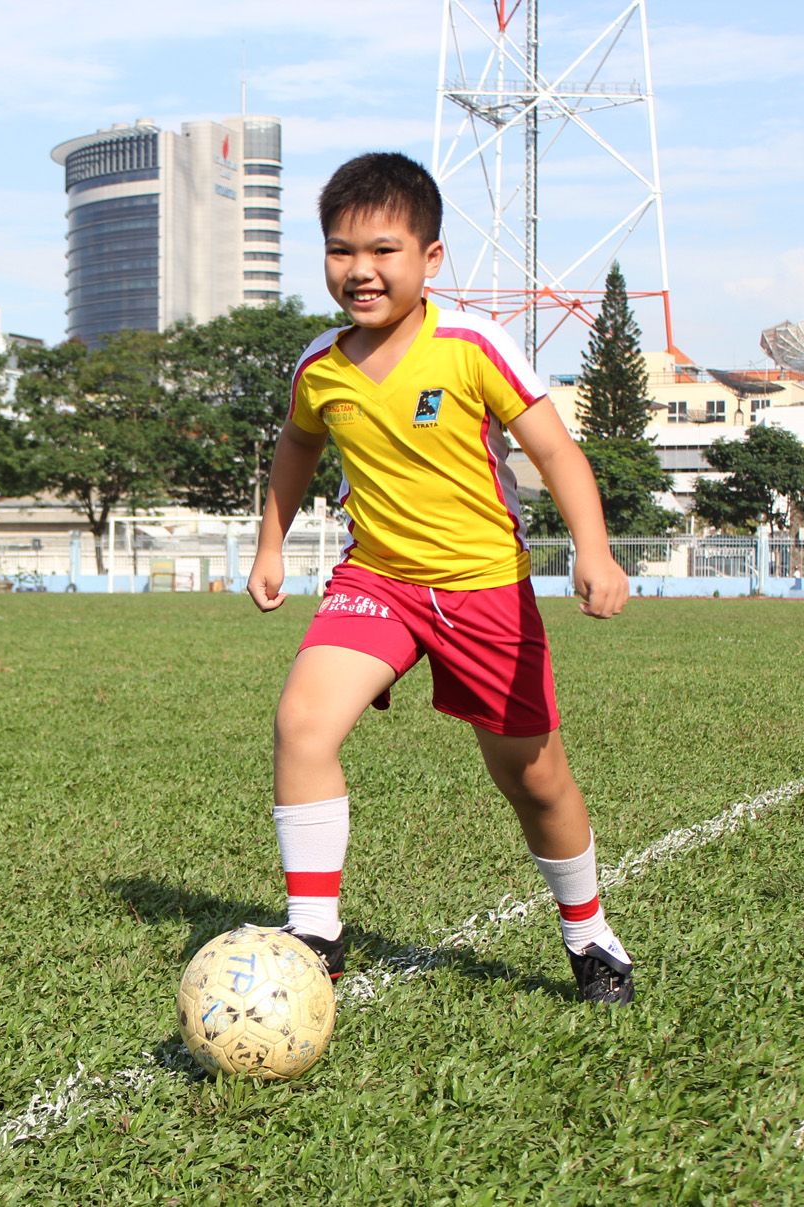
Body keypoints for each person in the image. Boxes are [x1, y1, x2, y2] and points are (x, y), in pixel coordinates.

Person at [248, 152, 636, 1005]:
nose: (361, 271)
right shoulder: (320, 365)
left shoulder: (469, 346)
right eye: (341, 251)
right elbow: (297, 446)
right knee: (302, 722)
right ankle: (315, 931)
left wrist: (595, 549)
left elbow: (555, 450)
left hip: (484, 589)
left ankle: (588, 932)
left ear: (430, 259)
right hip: (377, 581)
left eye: (384, 250)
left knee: (533, 779)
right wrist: (270, 542)